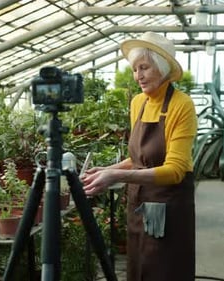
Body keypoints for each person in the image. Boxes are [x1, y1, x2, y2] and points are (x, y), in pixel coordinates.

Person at [81, 32, 197, 281]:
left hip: (169, 209)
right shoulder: (138, 103)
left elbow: (175, 170)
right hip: (139, 206)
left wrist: (116, 175)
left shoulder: (181, 105)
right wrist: (106, 169)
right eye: (135, 69)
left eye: (144, 67)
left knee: (164, 271)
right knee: (138, 269)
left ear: (162, 68)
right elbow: (140, 158)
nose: (138, 76)